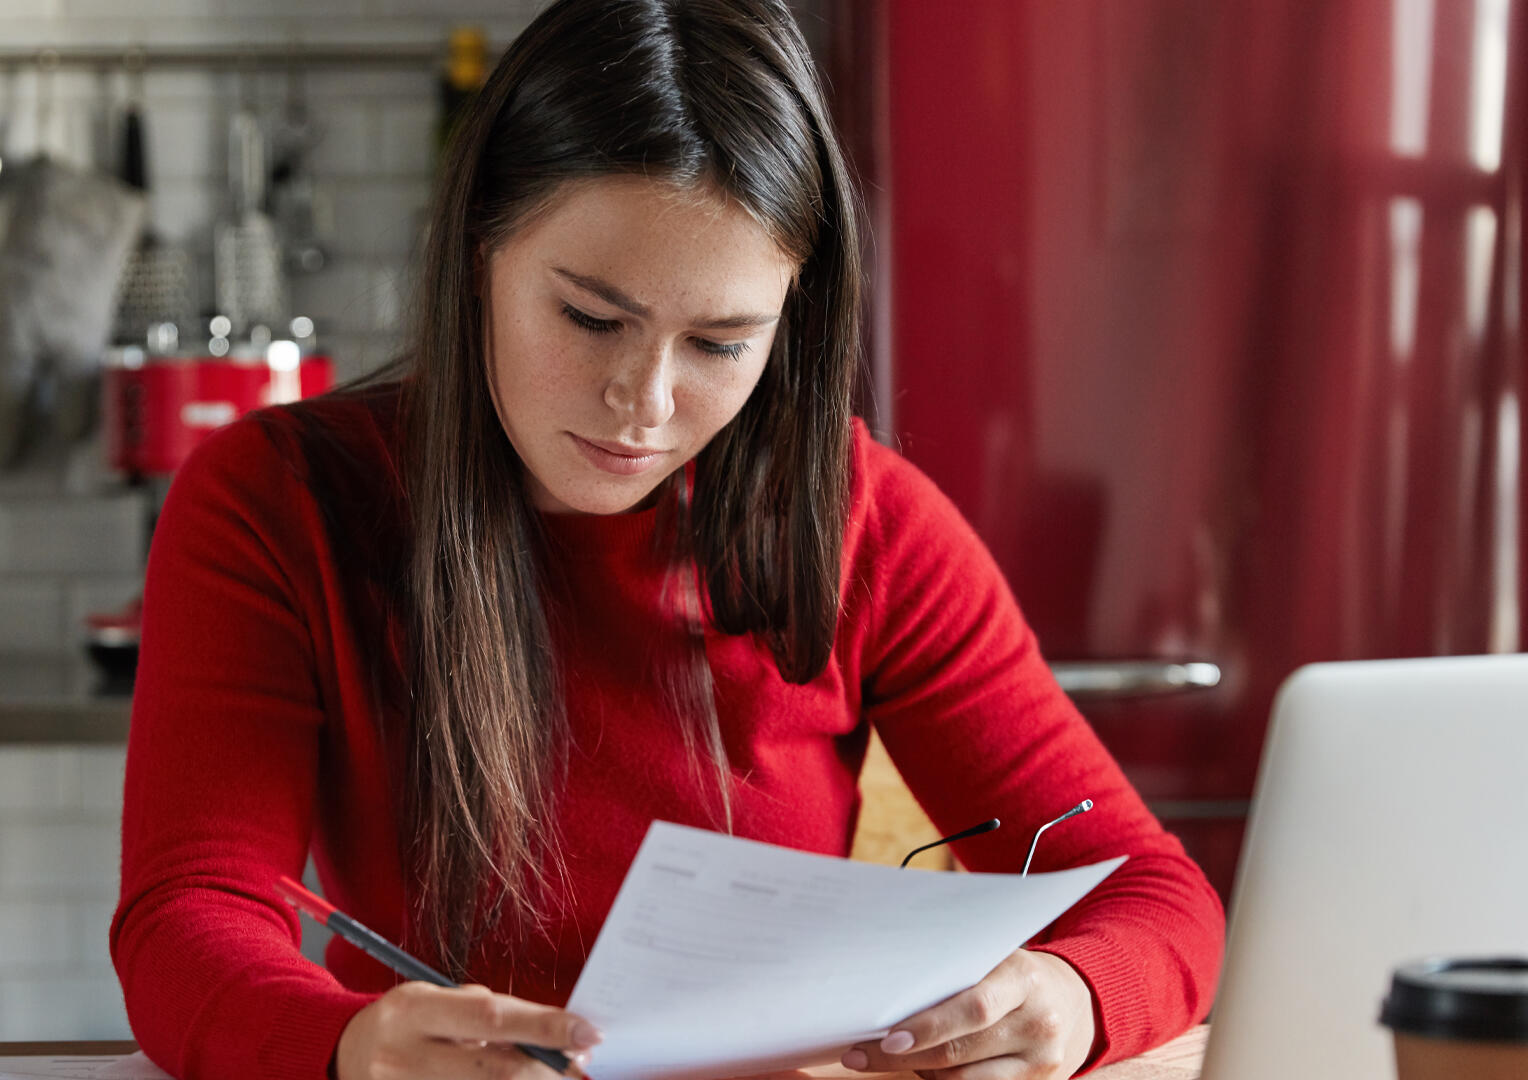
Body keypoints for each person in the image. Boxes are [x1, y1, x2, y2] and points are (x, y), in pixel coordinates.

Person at [109, 0, 1225, 1077]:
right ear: (480, 248)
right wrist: (349, 1047)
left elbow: (1156, 897)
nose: (642, 403)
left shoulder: (867, 523)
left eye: (721, 344)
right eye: (593, 318)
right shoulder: (275, 503)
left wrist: (1072, 996)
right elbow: (187, 913)